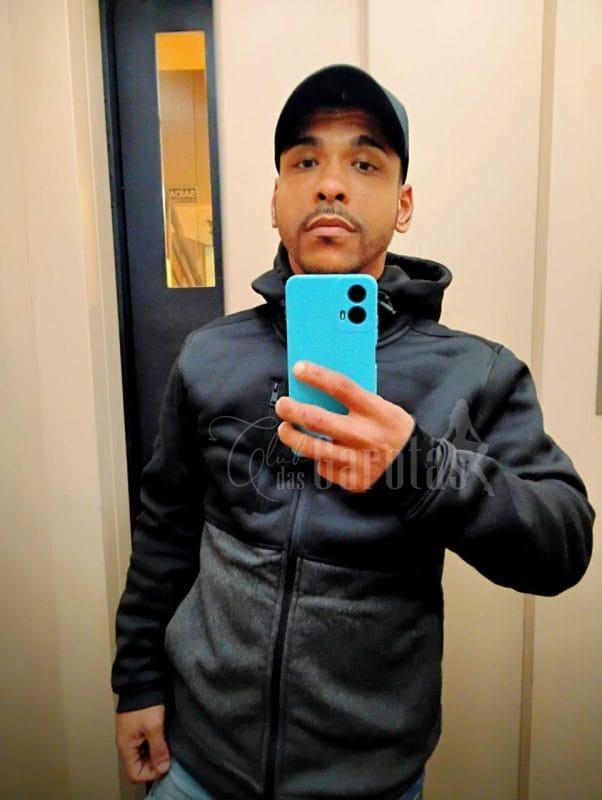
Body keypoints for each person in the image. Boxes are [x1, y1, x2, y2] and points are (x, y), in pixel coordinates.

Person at [111, 64, 595, 800]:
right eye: (305, 162)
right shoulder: (210, 354)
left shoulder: (474, 372)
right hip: (197, 764)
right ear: (276, 199)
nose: (331, 185)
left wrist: (419, 469)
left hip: (369, 781)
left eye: (364, 163)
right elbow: (166, 532)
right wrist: (138, 680)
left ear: (404, 204)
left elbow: (563, 543)